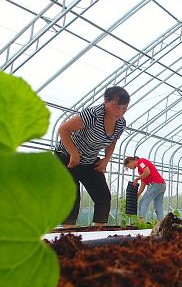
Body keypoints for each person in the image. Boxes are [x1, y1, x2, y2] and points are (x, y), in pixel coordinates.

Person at [55, 86, 129, 227]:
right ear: (106, 101)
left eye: (124, 108)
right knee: (72, 196)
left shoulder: (121, 123)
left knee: (103, 196)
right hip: (67, 157)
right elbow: (63, 129)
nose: (120, 112)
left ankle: (98, 231)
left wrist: (105, 160)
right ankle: (68, 234)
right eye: (117, 107)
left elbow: (113, 140)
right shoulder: (92, 114)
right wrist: (73, 152)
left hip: (89, 160)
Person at [124, 156, 166, 221]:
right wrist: (137, 195)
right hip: (161, 185)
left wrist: (137, 179)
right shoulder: (140, 171)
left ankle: (141, 222)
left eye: (128, 166)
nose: (130, 168)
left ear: (130, 161)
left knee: (143, 202)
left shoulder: (141, 162)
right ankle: (161, 224)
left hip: (155, 184)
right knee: (158, 207)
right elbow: (142, 186)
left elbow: (147, 172)